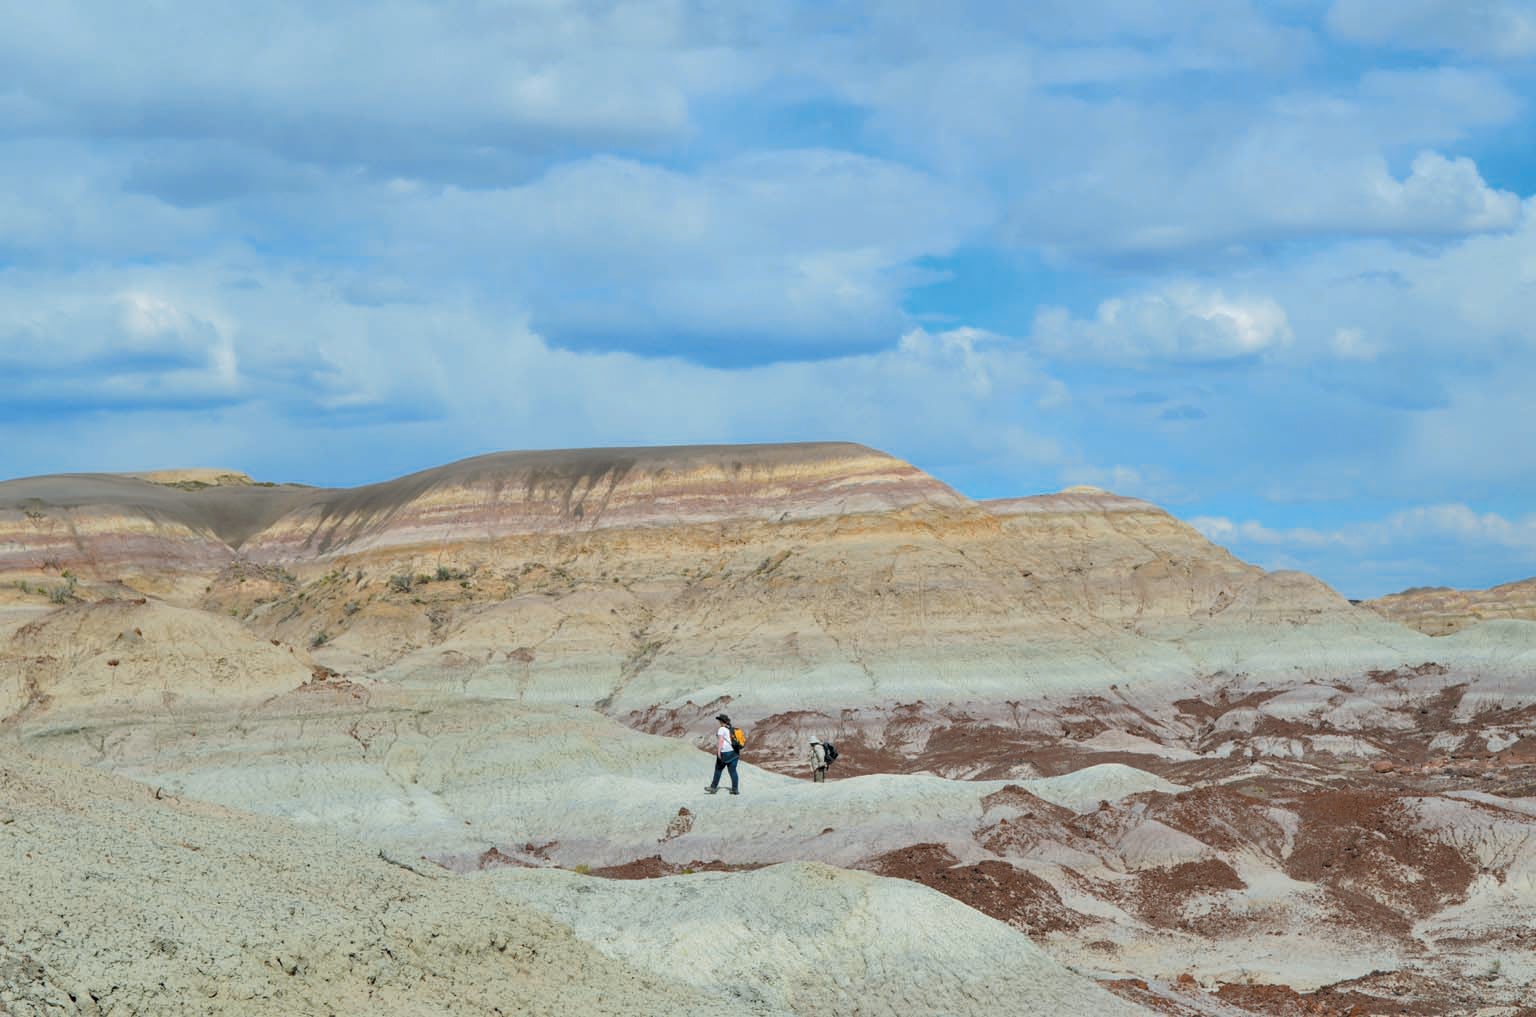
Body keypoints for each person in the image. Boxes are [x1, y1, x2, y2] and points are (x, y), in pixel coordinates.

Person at [705, 713, 740, 795]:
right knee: (733, 771)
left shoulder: (721, 729)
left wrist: (718, 752)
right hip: (734, 752)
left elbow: (721, 741)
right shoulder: (731, 729)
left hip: (725, 753)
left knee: (718, 770)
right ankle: (735, 789)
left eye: (719, 720)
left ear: (721, 721)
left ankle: (713, 787)